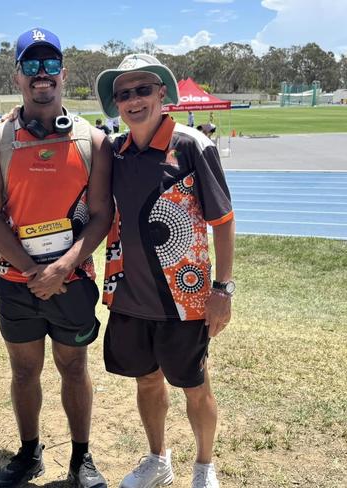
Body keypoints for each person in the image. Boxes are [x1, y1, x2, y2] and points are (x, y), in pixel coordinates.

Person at [0, 27, 112, 488]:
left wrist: (63, 267)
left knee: (74, 366)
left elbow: (101, 215)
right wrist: (33, 270)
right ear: (18, 76)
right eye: (31, 65)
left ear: (63, 73)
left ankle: (81, 458)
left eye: (49, 64)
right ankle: (29, 451)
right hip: (18, 285)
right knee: (23, 370)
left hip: (71, 282)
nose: (41, 74)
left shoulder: (92, 141)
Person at [95, 53, 235, 488]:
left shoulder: (193, 146)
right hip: (130, 298)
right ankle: (158, 459)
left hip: (185, 299)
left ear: (161, 93)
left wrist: (223, 289)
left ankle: (204, 467)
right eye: (124, 94)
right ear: (116, 103)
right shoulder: (114, 151)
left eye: (142, 90)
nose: (134, 100)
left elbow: (224, 221)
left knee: (195, 384)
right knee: (147, 381)